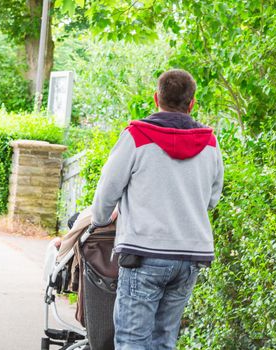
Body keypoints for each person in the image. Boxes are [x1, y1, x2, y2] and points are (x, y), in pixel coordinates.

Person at [91, 69, 224, 350]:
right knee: (164, 340)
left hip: (144, 254)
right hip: (189, 256)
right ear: (192, 103)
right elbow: (211, 199)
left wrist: (101, 219)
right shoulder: (210, 143)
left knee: (132, 340)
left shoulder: (137, 137)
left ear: (156, 99)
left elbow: (108, 188)